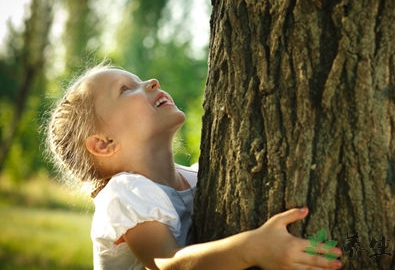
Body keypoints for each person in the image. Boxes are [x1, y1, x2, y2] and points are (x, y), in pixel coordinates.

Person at [46, 62, 342, 270]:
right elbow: (169, 264)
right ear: (104, 144)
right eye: (126, 89)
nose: (151, 82)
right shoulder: (124, 195)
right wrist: (254, 248)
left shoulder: (202, 175)